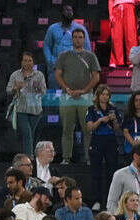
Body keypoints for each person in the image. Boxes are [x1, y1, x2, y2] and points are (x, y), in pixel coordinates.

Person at [54, 26, 100, 164]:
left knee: (88, 129)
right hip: (67, 97)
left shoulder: (91, 56)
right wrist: (67, 89)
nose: (78, 39)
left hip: (85, 97)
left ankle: (88, 157)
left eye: (80, 37)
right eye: (75, 37)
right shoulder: (64, 55)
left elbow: (96, 77)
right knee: (67, 129)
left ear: (84, 39)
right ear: (72, 39)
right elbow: (58, 75)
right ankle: (66, 158)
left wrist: (84, 90)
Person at [6, 51, 47, 158]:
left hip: (36, 109)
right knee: (27, 134)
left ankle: (28, 157)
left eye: (30, 60)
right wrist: (16, 88)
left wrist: (38, 88)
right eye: (25, 60)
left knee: (31, 135)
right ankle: (29, 158)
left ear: (33, 62)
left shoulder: (39, 75)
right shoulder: (15, 75)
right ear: (21, 62)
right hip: (21, 108)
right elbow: (8, 90)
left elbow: (44, 92)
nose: (27, 63)